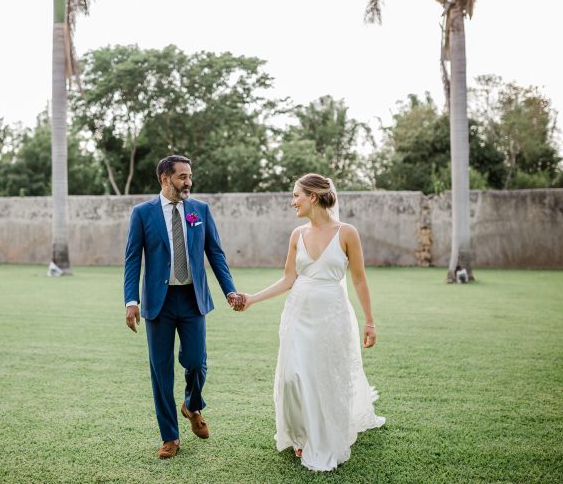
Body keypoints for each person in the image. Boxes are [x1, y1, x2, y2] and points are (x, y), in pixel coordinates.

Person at [235, 173, 385, 472]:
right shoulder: (296, 235)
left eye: (296, 196)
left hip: (332, 315)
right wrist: (252, 298)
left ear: (313, 197)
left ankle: (324, 438)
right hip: (297, 314)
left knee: (325, 377)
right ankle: (300, 434)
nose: (293, 202)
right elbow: (289, 279)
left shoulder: (347, 233)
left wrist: (370, 322)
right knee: (292, 377)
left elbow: (359, 280)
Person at [123, 155, 245, 459]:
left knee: (196, 362)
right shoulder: (142, 213)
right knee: (161, 372)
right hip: (158, 304)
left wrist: (229, 289)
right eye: (182, 177)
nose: (188, 182)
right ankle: (170, 437)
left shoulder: (200, 210)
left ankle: (192, 405)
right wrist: (131, 300)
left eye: (189, 176)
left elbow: (216, 253)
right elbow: (132, 259)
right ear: (165, 178)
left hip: (193, 299)